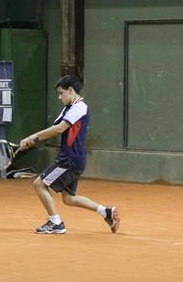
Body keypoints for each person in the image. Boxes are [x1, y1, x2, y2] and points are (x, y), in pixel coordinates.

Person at [19, 75, 120, 234]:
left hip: (69, 160)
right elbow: (56, 127)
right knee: (69, 198)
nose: (59, 97)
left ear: (71, 90)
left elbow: (59, 129)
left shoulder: (79, 107)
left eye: (61, 93)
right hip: (74, 159)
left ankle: (55, 223)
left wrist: (33, 137)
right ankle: (105, 212)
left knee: (39, 184)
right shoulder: (69, 108)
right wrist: (32, 140)